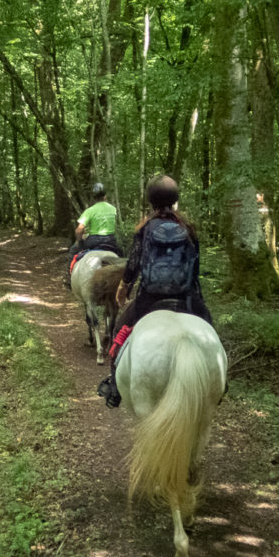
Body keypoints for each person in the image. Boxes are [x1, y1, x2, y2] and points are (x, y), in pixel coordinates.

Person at [97, 174, 212, 408]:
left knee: (119, 336)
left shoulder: (146, 229)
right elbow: (195, 267)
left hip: (150, 300)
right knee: (210, 330)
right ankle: (221, 382)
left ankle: (115, 387)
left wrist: (124, 288)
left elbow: (133, 265)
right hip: (187, 299)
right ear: (176, 201)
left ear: (151, 202)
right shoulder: (189, 229)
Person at [64, 182, 121, 287]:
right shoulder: (113, 209)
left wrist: (80, 241)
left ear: (94, 197)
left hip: (94, 240)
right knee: (122, 256)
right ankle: (125, 281)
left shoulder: (90, 211)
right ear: (105, 196)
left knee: (72, 251)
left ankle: (68, 280)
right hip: (111, 241)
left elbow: (79, 230)